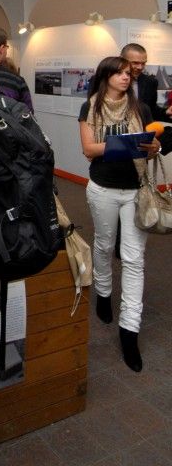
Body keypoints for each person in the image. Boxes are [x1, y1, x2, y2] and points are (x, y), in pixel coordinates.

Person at [78, 55, 160, 372]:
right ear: (106, 76)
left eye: (129, 73)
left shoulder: (141, 109)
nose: (127, 77)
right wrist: (132, 144)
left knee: (134, 258)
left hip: (136, 190)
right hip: (103, 189)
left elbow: (151, 146)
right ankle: (103, 292)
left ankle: (130, 330)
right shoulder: (92, 107)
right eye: (120, 73)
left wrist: (150, 146)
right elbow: (88, 149)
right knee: (102, 243)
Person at [120, 43, 171, 122]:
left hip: (141, 131)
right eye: (135, 63)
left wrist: (166, 112)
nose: (140, 67)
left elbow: (151, 110)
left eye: (143, 63)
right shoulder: (103, 80)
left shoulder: (150, 82)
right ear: (121, 59)